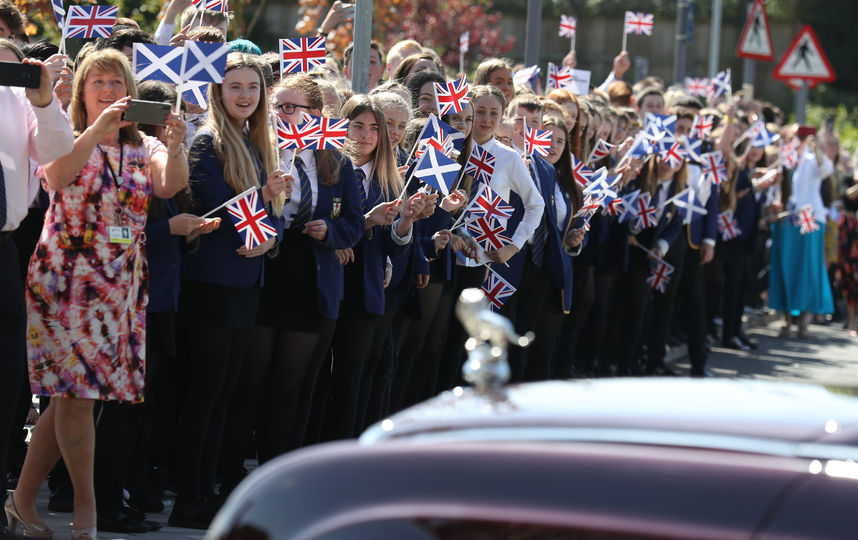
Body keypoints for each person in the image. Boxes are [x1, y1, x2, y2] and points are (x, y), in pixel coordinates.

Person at [13, 47, 187, 540]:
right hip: (65, 280)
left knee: (73, 396)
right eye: (99, 83)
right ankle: (85, 512)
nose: (109, 91)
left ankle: (23, 498)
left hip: (118, 285)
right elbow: (58, 175)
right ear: (83, 91)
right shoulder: (64, 136)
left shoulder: (143, 146)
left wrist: (174, 145)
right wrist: (96, 130)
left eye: (117, 83)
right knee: (78, 396)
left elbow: (169, 185)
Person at [218, 73, 364, 481]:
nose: (279, 115)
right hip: (265, 271)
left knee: (289, 386)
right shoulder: (257, 152)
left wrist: (330, 232)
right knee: (251, 383)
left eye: (289, 108)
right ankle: (228, 476)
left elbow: (354, 222)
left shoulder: (336, 159)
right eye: (276, 107)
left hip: (310, 277)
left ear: (315, 116)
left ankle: (277, 477)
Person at [170, 53, 286, 529]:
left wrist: (271, 239)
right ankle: (188, 497)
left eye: (253, 88)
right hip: (212, 282)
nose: (244, 95)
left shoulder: (257, 144)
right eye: (234, 86)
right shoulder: (206, 144)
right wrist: (264, 198)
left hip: (246, 282)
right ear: (218, 93)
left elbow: (272, 218)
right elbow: (214, 210)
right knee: (204, 392)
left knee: (225, 394)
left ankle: (209, 490)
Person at [320, 94, 426, 441]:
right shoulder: (327, 168)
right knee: (319, 375)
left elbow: (395, 240)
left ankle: (349, 449)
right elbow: (318, 221)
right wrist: (346, 235)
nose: (364, 135)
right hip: (327, 278)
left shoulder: (390, 179)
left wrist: (406, 221)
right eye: (356, 126)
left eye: (372, 129)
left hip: (367, 283)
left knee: (356, 376)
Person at [0, 42, 73, 540]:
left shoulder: (20, 97)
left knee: (6, 379)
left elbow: (56, 154)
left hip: (4, 247)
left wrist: (46, 102)